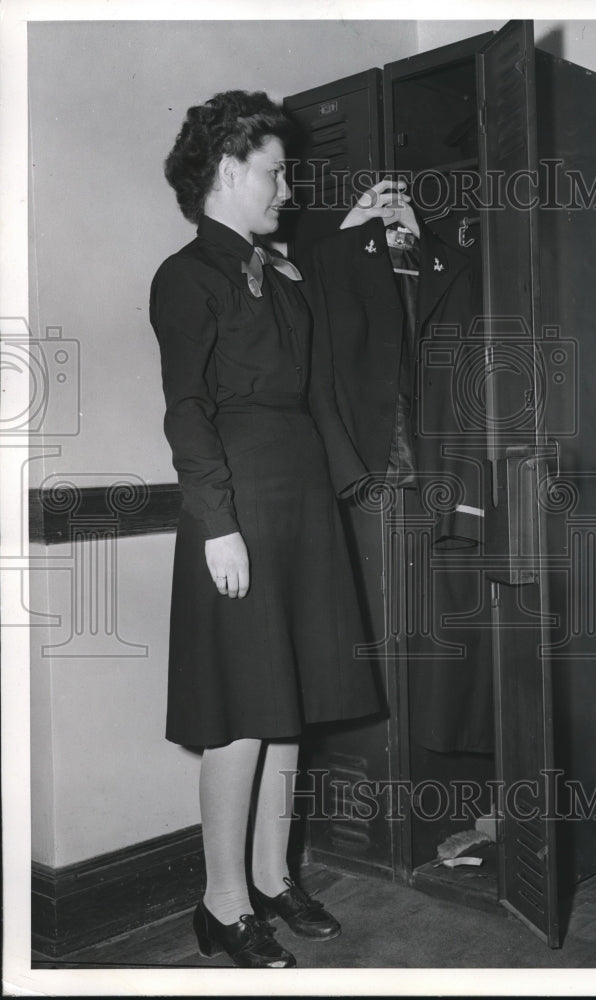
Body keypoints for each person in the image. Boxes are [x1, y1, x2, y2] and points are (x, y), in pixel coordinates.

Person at [149, 90, 385, 969]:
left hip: (301, 502)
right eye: (276, 171)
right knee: (241, 717)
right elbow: (186, 411)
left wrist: (354, 230)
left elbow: (321, 336)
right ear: (227, 170)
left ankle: (273, 879)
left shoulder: (279, 270)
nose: (287, 186)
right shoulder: (187, 276)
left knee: (291, 712)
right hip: (237, 507)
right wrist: (217, 525)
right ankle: (219, 903)